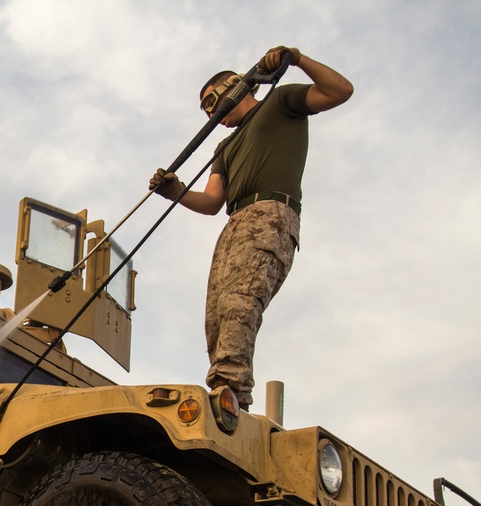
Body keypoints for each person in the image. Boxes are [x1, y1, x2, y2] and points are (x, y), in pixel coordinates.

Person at [149, 46, 353, 411]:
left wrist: (298, 58)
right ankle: (232, 398)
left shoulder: (281, 101)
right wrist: (175, 192)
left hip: (269, 213)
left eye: (212, 101)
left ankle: (227, 390)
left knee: (239, 303)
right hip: (233, 224)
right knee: (216, 317)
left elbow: (340, 91)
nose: (212, 113)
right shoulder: (224, 147)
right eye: (205, 110)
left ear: (234, 88)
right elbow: (212, 202)